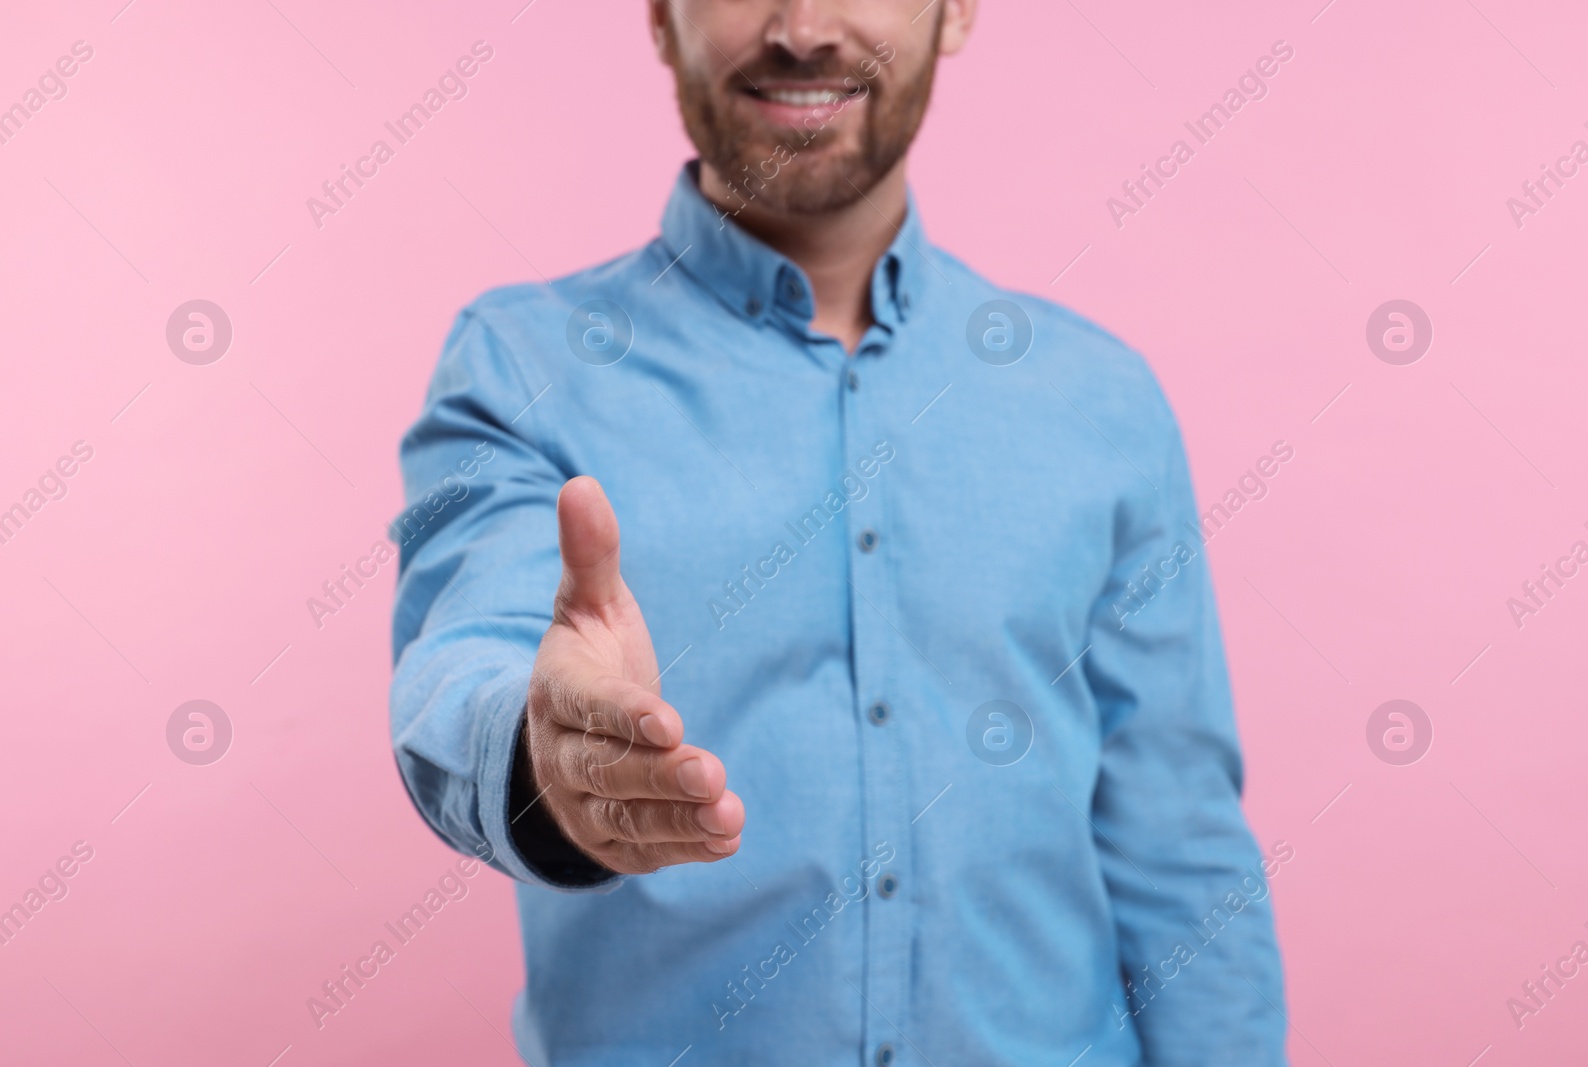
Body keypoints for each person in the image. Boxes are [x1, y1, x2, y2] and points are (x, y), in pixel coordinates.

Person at [389, 1, 1288, 1062]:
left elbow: (1179, 853)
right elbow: (461, 660)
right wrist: (542, 758)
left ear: (956, 12)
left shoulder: (1102, 402)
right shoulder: (520, 366)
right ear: (659, 15)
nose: (804, 27)